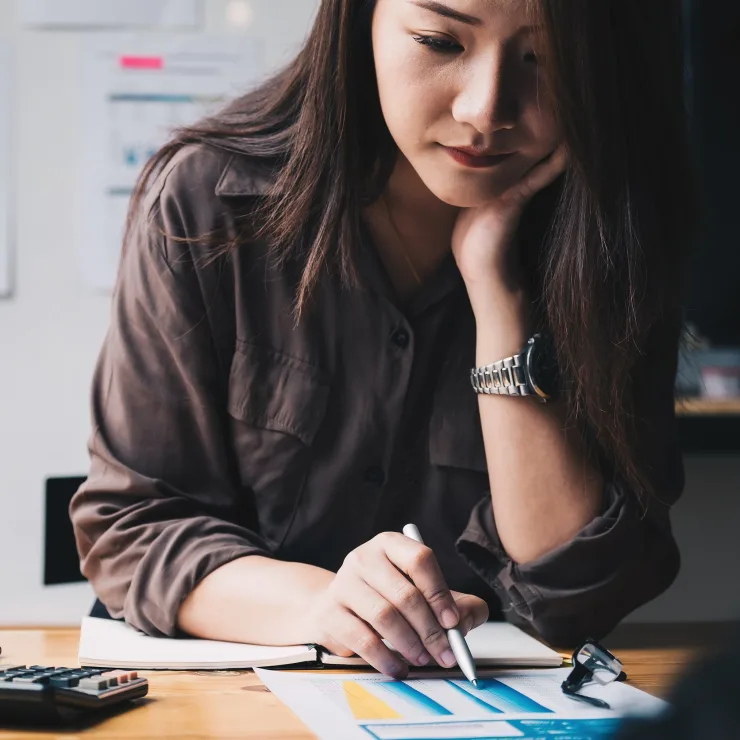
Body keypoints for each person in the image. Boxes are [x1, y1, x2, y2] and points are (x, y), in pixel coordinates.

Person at [70, 0, 695, 679]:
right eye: (439, 41)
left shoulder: (615, 236)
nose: (486, 110)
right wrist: (327, 605)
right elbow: (133, 527)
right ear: (359, 20)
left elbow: (579, 593)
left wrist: (496, 293)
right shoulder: (207, 201)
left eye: (544, 60)